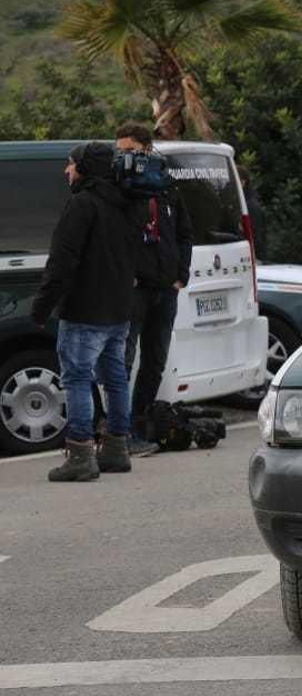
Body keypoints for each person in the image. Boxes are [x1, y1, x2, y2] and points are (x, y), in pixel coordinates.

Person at [30, 142, 141, 481]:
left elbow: (62, 261)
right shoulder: (127, 204)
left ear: (85, 168)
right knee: (116, 379)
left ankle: (80, 454)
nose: (67, 170)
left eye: (71, 164)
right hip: (119, 309)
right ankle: (116, 449)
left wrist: (41, 307)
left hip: (84, 311)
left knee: (77, 378)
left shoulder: (82, 204)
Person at [114, 122, 193, 457]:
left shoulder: (166, 188)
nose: (125, 156)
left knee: (155, 359)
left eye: (130, 150)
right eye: (121, 151)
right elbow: (113, 238)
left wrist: (181, 276)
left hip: (166, 287)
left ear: (146, 148)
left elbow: (185, 234)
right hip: (135, 288)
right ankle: (120, 430)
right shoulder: (120, 187)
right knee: (123, 358)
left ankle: (140, 420)